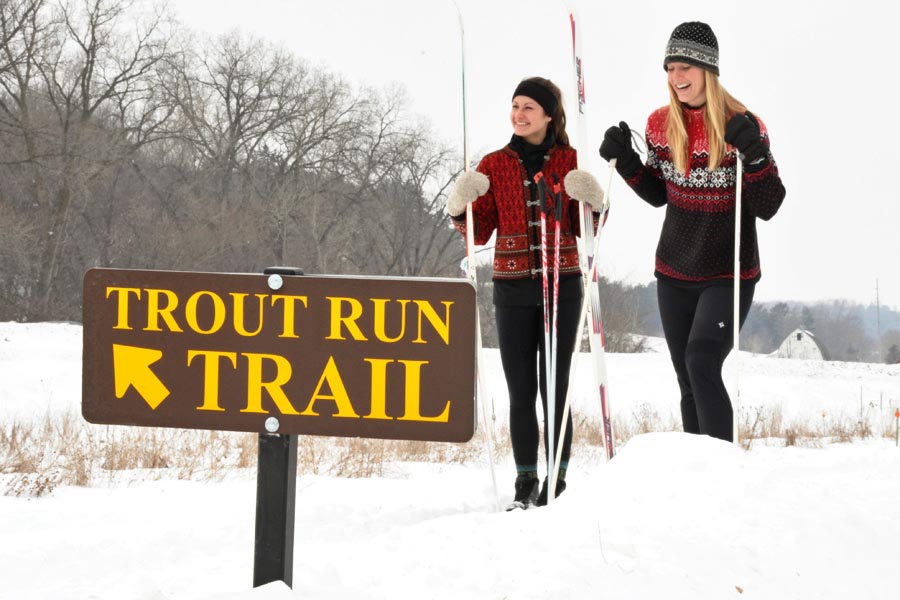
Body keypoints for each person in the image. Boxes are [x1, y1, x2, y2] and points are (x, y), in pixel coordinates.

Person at [599, 21, 786, 442]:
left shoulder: (744, 125)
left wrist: (755, 155)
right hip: (674, 270)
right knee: (686, 377)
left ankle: (723, 473)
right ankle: (696, 475)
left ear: (708, 69)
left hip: (727, 271)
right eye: (670, 68)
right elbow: (658, 194)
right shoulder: (660, 123)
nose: (676, 77)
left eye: (685, 67)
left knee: (702, 362)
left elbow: (768, 205)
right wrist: (626, 161)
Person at [446, 77, 605, 509]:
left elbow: (585, 227)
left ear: (549, 114)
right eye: (515, 106)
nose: (518, 114)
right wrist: (462, 203)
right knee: (521, 389)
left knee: (556, 385)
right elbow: (477, 230)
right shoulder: (494, 163)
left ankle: (558, 481)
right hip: (512, 286)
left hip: (563, 285)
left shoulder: (571, 160)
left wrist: (594, 201)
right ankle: (524, 482)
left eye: (528, 107)